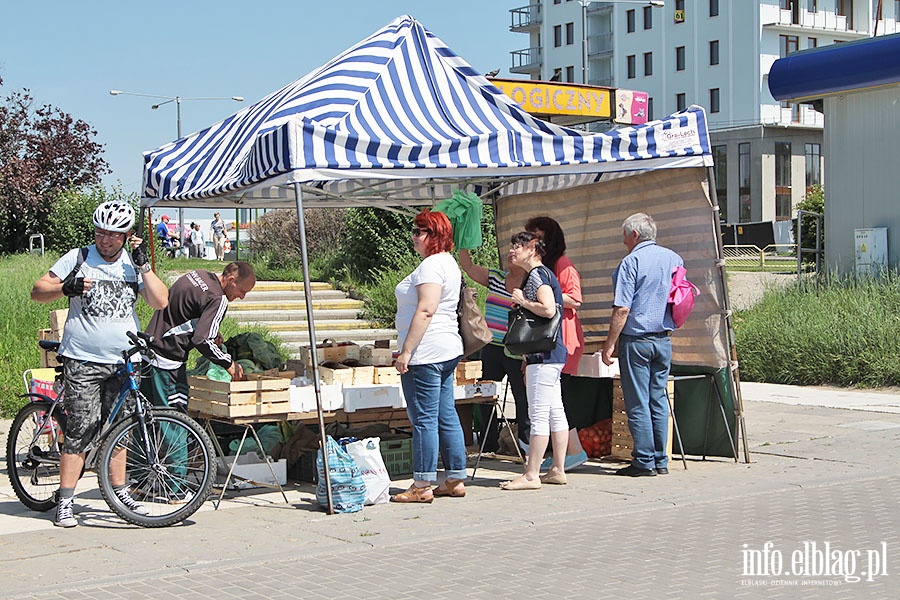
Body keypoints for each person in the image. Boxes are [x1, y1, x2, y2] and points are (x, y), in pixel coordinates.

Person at [31, 201, 169, 527]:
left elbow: (160, 301)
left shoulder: (133, 266)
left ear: (126, 236)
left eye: (112, 235)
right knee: (80, 429)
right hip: (82, 359)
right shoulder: (78, 257)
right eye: (99, 233)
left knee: (120, 430)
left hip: (124, 360)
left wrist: (144, 266)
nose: (104, 240)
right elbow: (38, 291)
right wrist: (66, 287)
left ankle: (118, 491)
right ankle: (65, 500)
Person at [140, 262, 255, 501]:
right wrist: (228, 363)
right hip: (168, 361)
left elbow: (183, 312)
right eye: (242, 291)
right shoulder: (218, 298)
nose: (241, 297)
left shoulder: (197, 275)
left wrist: (210, 332)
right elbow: (203, 340)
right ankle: (174, 486)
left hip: (149, 351)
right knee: (175, 422)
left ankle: (139, 478)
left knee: (147, 419)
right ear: (231, 280)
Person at [391, 210, 468, 503]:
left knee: (424, 419)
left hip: (427, 353)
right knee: (446, 414)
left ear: (432, 235)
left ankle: (422, 484)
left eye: (418, 232)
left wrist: (406, 351)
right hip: (447, 349)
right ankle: (455, 478)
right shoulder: (448, 263)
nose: (413, 237)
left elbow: (426, 309)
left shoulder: (430, 267)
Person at [601, 213, 683, 477]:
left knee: (637, 401)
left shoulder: (631, 262)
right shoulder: (673, 258)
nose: (624, 241)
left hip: (637, 341)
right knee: (658, 399)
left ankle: (644, 461)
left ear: (634, 235)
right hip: (663, 339)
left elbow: (622, 309)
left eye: (625, 236)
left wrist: (609, 345)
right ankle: (661, 460)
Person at [500, 231, 569, 490]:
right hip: (554, 353)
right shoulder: (546, 273)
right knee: (555, 410)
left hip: (543, 354)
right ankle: (557, 469)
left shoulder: (537, 275)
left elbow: (548, 309)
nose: (512, 251)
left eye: (517, 246)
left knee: (538, 414)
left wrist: (522, 301)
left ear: (532, 248)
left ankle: (531, 475)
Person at [525, 216, 588, 471]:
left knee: (557, 398)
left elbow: (576, 298)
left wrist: (547, 293)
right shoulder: (545, 266)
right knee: (554, 399)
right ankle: (566, 455)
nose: (533, 241)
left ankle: (573, 451)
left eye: (538, 236)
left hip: (563, 338)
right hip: (548, 340)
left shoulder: (563, 264)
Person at [458, 249, 530, 455]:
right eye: (509, 251)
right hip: (491, 347)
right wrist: (464, 242)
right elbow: (469, 267)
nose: (510, 254)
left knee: (522, 398)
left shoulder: (531, 284)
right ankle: (488, 443)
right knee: (484, 395)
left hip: (517, 350)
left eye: (515, 251)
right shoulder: (496, 277)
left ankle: (525, 446)